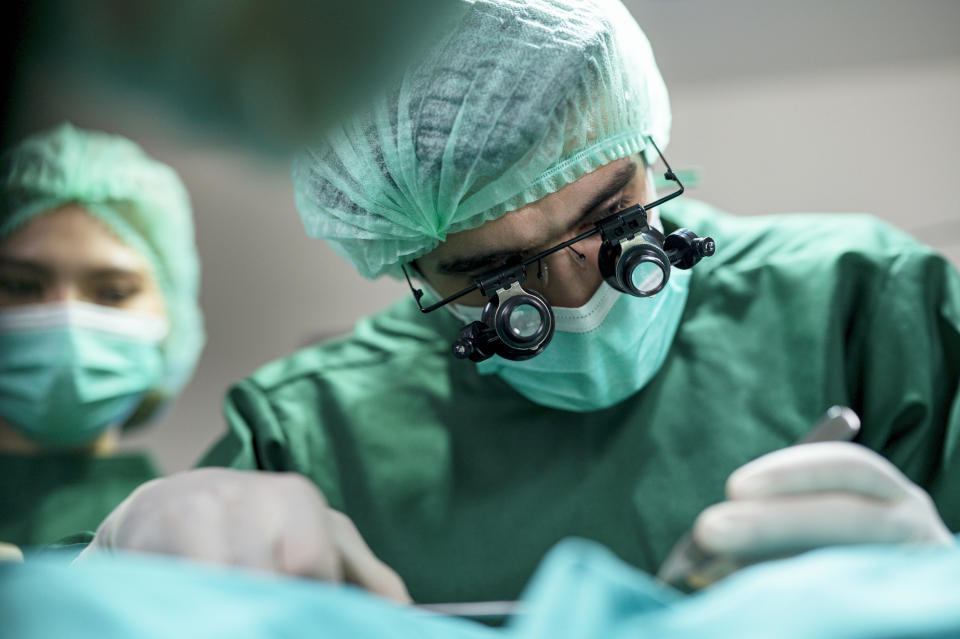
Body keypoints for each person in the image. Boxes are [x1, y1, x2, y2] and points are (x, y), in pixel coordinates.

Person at [83, 0, 959, 607]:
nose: (579, 299)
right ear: (409, 266)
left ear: (652, 150)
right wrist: (116, 580)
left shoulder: (871, 302)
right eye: (500, 279)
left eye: (615, 219)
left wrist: (939, 579)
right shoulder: (306, 435)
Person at [0, 123, 204, 551]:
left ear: (172, 316)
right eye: (20, 286)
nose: (66, 318)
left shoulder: (177, 541)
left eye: (112, 293)